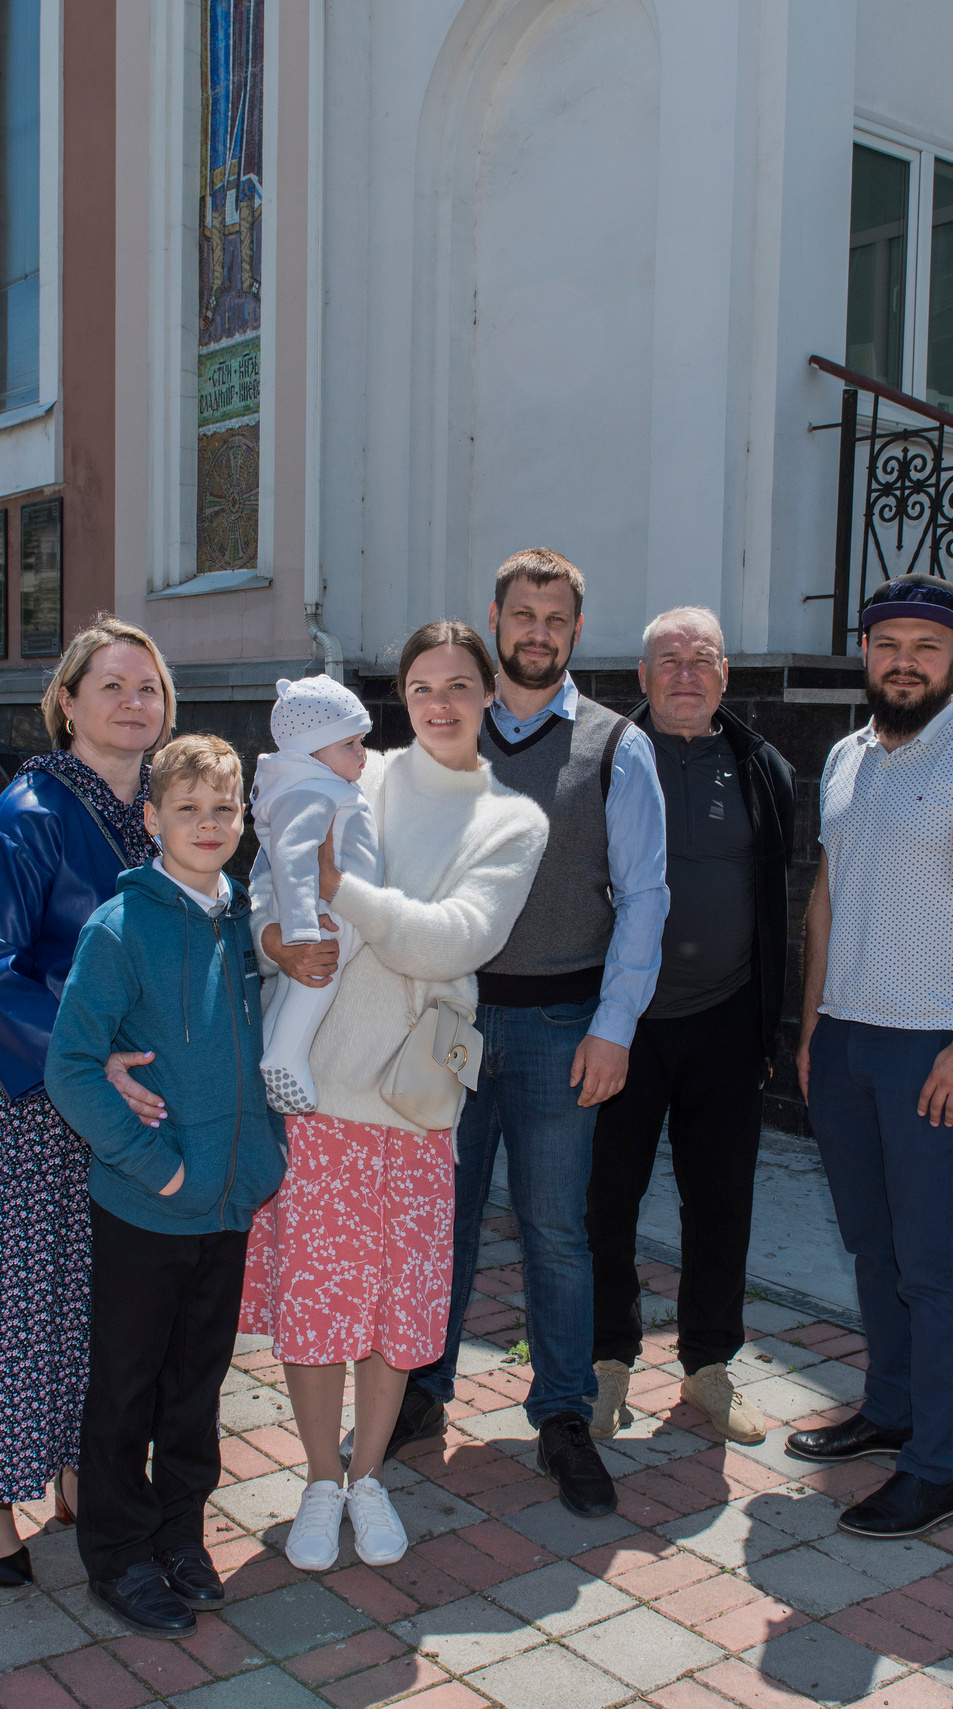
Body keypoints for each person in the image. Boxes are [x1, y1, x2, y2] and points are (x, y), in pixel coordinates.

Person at [241, 624, 548, 1572]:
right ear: (399, 697)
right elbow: (263, 884)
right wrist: (276, 942)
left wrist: (346, 895)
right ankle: (316, 1480)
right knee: (317, 1304)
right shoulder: (348, 772)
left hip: (415, 1102)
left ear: (490, 695)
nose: (441, 702)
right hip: (318, 1090)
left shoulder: (512, 821)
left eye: (460, 684)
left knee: (393, 1311)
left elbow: (457, 939)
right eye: (421, 685)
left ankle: (366, 1475)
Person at [397, 549, 669, 1521]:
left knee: (557, 1231)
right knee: (444, 1216)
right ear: (495, 616)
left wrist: (614, 1029)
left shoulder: (614, 747)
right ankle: (419, 1391)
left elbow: (644, 898)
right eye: (523, 614)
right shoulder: (449, 732)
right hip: (453, 1022)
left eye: (556, 618)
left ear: (575, 631)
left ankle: (561, 1415)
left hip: (564, 1027)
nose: (538, 632)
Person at [791, 574, 953, 1540]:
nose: (905, 661)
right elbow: (826, 895)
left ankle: (937, 1465)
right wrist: (815, 1023)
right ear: (865, 652)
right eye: (887, 643)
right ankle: (890, 1408)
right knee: (873, 1247)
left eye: (925, 646)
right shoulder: (844, 757)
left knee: (932, 1263)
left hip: (933, 1049)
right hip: (850, 1040)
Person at [0, 615, 176, 1587]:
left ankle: (87, 1469)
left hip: (138, 1104)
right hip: (43, 1099)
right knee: (19, 1303)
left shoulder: (162, 812)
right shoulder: (25, 815)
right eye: (112, 685)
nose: (133, 702)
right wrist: (87, 1062)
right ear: (68, 703)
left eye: (148, 687)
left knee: (109, 1306)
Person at [43, 734, 288, 1636]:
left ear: (244, 817)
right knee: (127, 1386)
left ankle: (181, 1533)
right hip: (147, 1206)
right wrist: (160, 1165)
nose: (208, 824)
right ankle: (117, 1554)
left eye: (224, 808)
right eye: (187, 809)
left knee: (196, 1383)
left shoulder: (240, 914)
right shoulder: (120, 927)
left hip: (227, 1204)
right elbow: (72, 1065)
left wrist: (260, 1156)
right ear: (151, 819)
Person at [586, 607, 795, 1447]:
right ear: (640, 676)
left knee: (721, 1202)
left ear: (725, 674)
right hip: (620, 1028)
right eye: (666, 660)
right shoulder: (602, 760)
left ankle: (709, 1365)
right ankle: (606, 1362)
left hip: (725, 1023)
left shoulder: (761, 767)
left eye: (699, 659)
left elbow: (780, 896)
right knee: (606, 1202)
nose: (683, 673)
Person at [252, 675, 381, 1115]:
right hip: (323, 915)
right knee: (319, 977)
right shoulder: (310, 790)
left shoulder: (316, 785)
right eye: (350, 744)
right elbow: (292, 856)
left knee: (298, 985)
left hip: (319, 909)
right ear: (311, 753)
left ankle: (273, 1045)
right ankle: (286, 1057)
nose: (362, 753)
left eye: (362, 741)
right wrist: (303, 927)